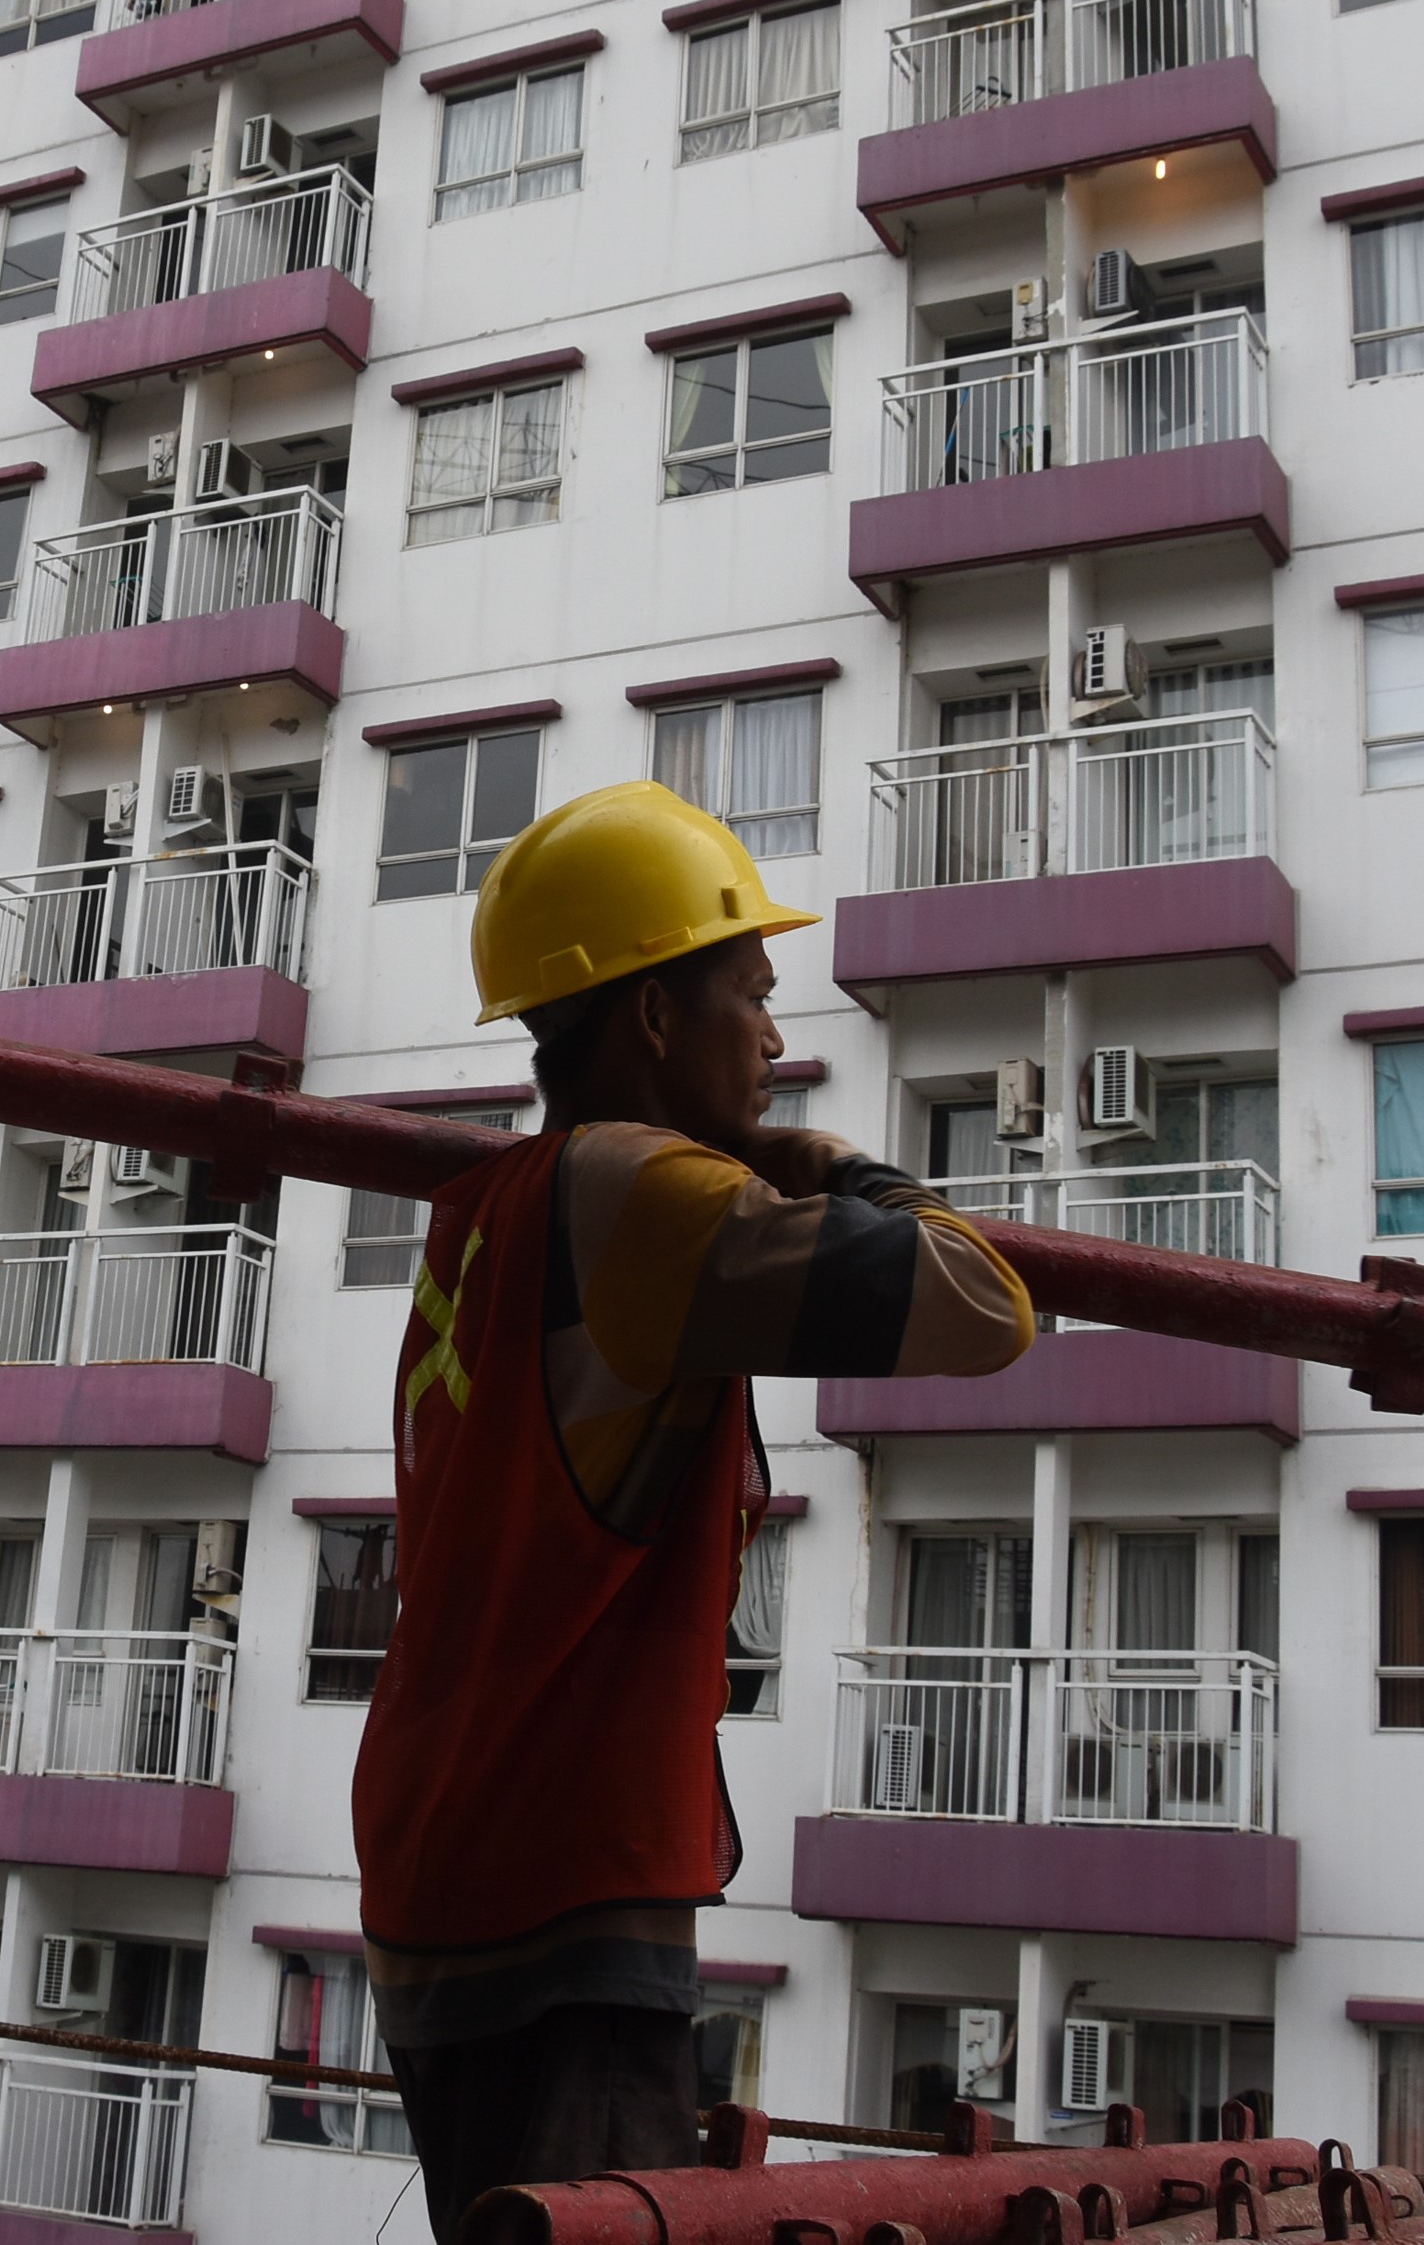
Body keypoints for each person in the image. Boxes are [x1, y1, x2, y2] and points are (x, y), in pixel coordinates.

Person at [350, 781, 1036, 2244]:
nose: (778, 1042)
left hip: (448, 1853)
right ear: (654, 1018)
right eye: (750, 994)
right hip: (564, 1883)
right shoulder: (641, 1193)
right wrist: (826, 1160)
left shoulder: (492, 1203)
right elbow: (983, 1302)